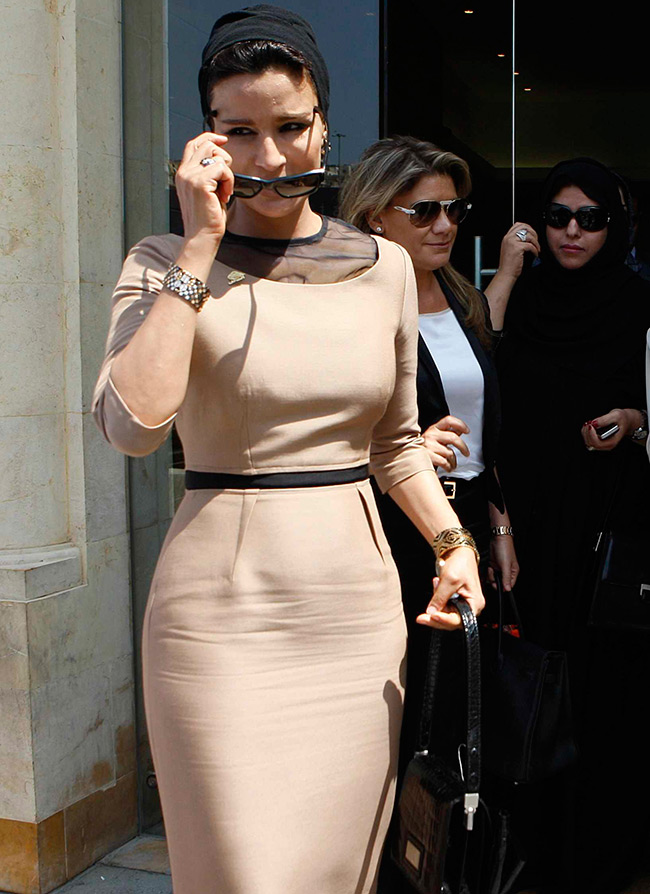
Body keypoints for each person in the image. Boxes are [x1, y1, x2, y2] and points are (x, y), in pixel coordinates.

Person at [91, 7, 484, 894]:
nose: (269, 157)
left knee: (333, 871)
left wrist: (453, 545)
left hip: (353, 615)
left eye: (290, 127)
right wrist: (200, 242)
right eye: (239, 131)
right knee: (242, 873)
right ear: (206, 139)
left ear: (323, 128)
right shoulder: (161, 261)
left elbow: (395, 443)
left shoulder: (384, 265)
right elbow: (132, 427)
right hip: (216, 619)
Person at [340, 136, 520, 892]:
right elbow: (330, 430)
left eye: (452, 209)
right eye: (424, 211)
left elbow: (487, 425)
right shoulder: (351, 303)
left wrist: (499, 526)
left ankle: (444, 860)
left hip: (468, 518)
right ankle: (391, 867)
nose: (444, 225)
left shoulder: (462, 299)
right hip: (398, 528)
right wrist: (407, 446)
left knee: (463, 708)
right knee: (406, 707)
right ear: (375, 217)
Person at [489, 157, 650, 894]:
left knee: (602, 691)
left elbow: (645, 401)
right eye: (557, 216)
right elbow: (478, 359)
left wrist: (634, 419)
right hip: (526, 531)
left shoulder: (637, 303)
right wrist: (506, 271)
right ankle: (524, 854)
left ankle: (600, 857)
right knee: (529, 686)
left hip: (606, 529)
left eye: (591, 218)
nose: (572, 232)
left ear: (614, 227)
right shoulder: (523, 299)